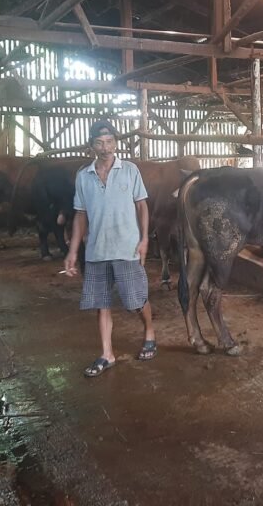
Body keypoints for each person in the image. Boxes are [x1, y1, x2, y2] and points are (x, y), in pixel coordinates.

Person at [63, 120, 157, 377]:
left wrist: (144, 239)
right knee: (101, 304)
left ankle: (149, 330)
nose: (105, 148)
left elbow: (142, 206)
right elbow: (80, 215)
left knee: (137, 300)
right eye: (99, 143)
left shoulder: (129, 170)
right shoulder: (84, 176)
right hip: (96, 250)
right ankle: (107, 354)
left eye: (110, 142)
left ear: (116, 143)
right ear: (91, 145)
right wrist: (72, 251)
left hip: (127, 248)